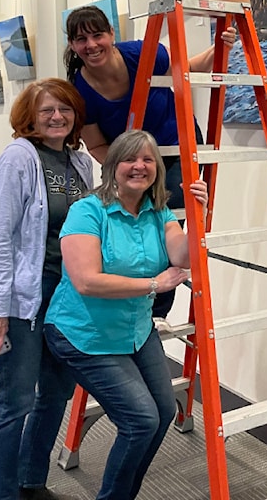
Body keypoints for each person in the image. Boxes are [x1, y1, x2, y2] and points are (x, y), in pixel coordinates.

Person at [43, 130, 208, 500]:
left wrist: (198, 215)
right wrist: (154, 285)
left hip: (134, 329)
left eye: (148, 159)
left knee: (164, 413)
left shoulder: (159, 210)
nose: (139, 166)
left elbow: (182, 258)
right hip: (84, 333)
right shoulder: (88, 210)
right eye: (130, 159)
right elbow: (86, 281)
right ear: (112, 166)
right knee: (140, 420)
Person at [0, 78, 94, 500]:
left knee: (55, 395)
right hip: (17, 302)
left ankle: (30, 482)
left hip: (63, 298)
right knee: (13, 402)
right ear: (29, 118)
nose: (57, 117)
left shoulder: (80, 162)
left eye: (65, 110)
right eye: (46, 110)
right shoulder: (18, 159)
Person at [63, 6, 234, 319]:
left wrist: (218, 48)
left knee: (165, 217)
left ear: (112, 34)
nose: (91, 45)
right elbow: (98, 144)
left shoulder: (143, 54)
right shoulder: (81, 90)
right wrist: (128, 168)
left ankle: (155, 312)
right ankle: (126, 298)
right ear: (72, 45)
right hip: (128, 163)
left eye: (97, 35)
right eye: (81, 39)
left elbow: (186, 69)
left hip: (176, 146)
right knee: (129, 226)